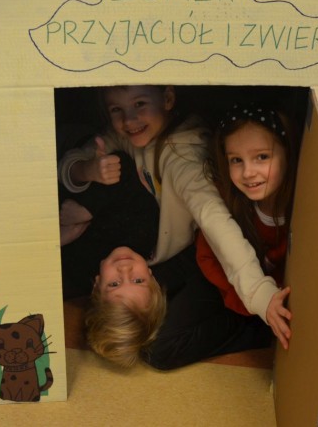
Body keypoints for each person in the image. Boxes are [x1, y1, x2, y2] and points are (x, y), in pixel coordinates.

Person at [58, 85, 291, 367]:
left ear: (168, 99)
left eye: (139, 104)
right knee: (159, 352)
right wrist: (85, 170)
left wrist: (260, 294)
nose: (129, 120)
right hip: (185, 254)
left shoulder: (184, 162)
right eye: (116, 109)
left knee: (161, 350)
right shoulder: (133, 136)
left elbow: (214, 219)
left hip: (197, 246)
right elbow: (90, 148)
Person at [196, 103, 298, 322]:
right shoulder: (227, 202)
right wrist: (254, 302)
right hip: (241, 304)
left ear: (287, 153)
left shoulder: (300, 211)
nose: (248, 172)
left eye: (262, 157)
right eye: (236, 160)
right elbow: (207, 257)